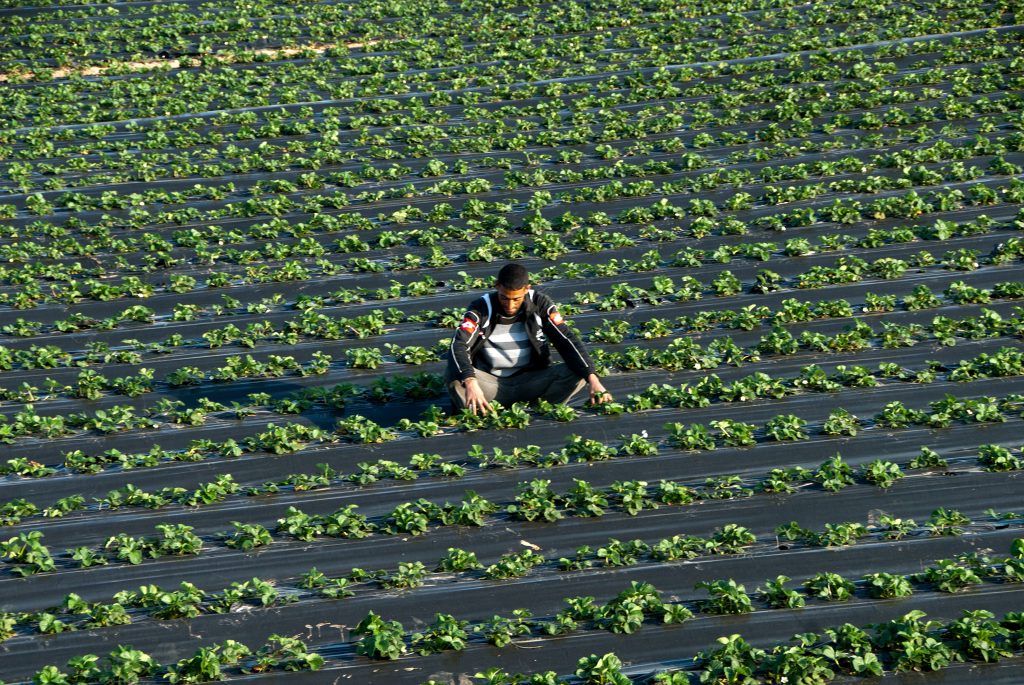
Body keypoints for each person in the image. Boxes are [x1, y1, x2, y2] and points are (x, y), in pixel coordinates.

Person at [445, 262, 612, 413]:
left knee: (578, 372)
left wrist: (593, 379)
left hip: (531, 381)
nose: (510, 305)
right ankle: (483, 411)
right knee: (457, 379)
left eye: (516, 299)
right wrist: (471, 381)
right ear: (497, 287)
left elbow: (566, 340)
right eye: (504, 298)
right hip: (491, 384)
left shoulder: (540, 304)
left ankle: (540, 409)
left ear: (527, 289)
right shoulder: (481, 308)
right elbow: (458, 345)